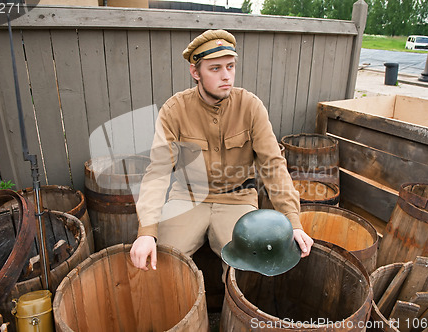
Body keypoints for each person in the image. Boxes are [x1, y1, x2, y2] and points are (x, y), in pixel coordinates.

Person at [130, 29, 313, 272]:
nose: (226, 76)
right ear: (195, 72)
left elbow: (273, 165)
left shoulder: (250, 106)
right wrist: (147, 231)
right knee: (161, 262)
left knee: (249, 267)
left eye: (230, 66)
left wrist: (293, 221)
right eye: (215, 68)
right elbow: (158, 172)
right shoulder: (174, 110)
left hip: (237, 198)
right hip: (188, 197)